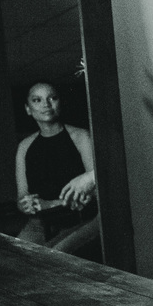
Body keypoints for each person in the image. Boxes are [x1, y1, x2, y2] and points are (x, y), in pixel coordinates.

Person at [14, 81, 100, 255]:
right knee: (12, 258)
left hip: (81, 218)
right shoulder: (24, 146)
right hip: (40, 223)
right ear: (28, 109)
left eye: (52, 98)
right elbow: (22, 195)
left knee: (51, 256)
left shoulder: (81, 137)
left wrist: (50, 204)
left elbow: (97, 191)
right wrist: (25, 205)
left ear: (60, 102)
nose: (46, 104)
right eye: (37, 100)